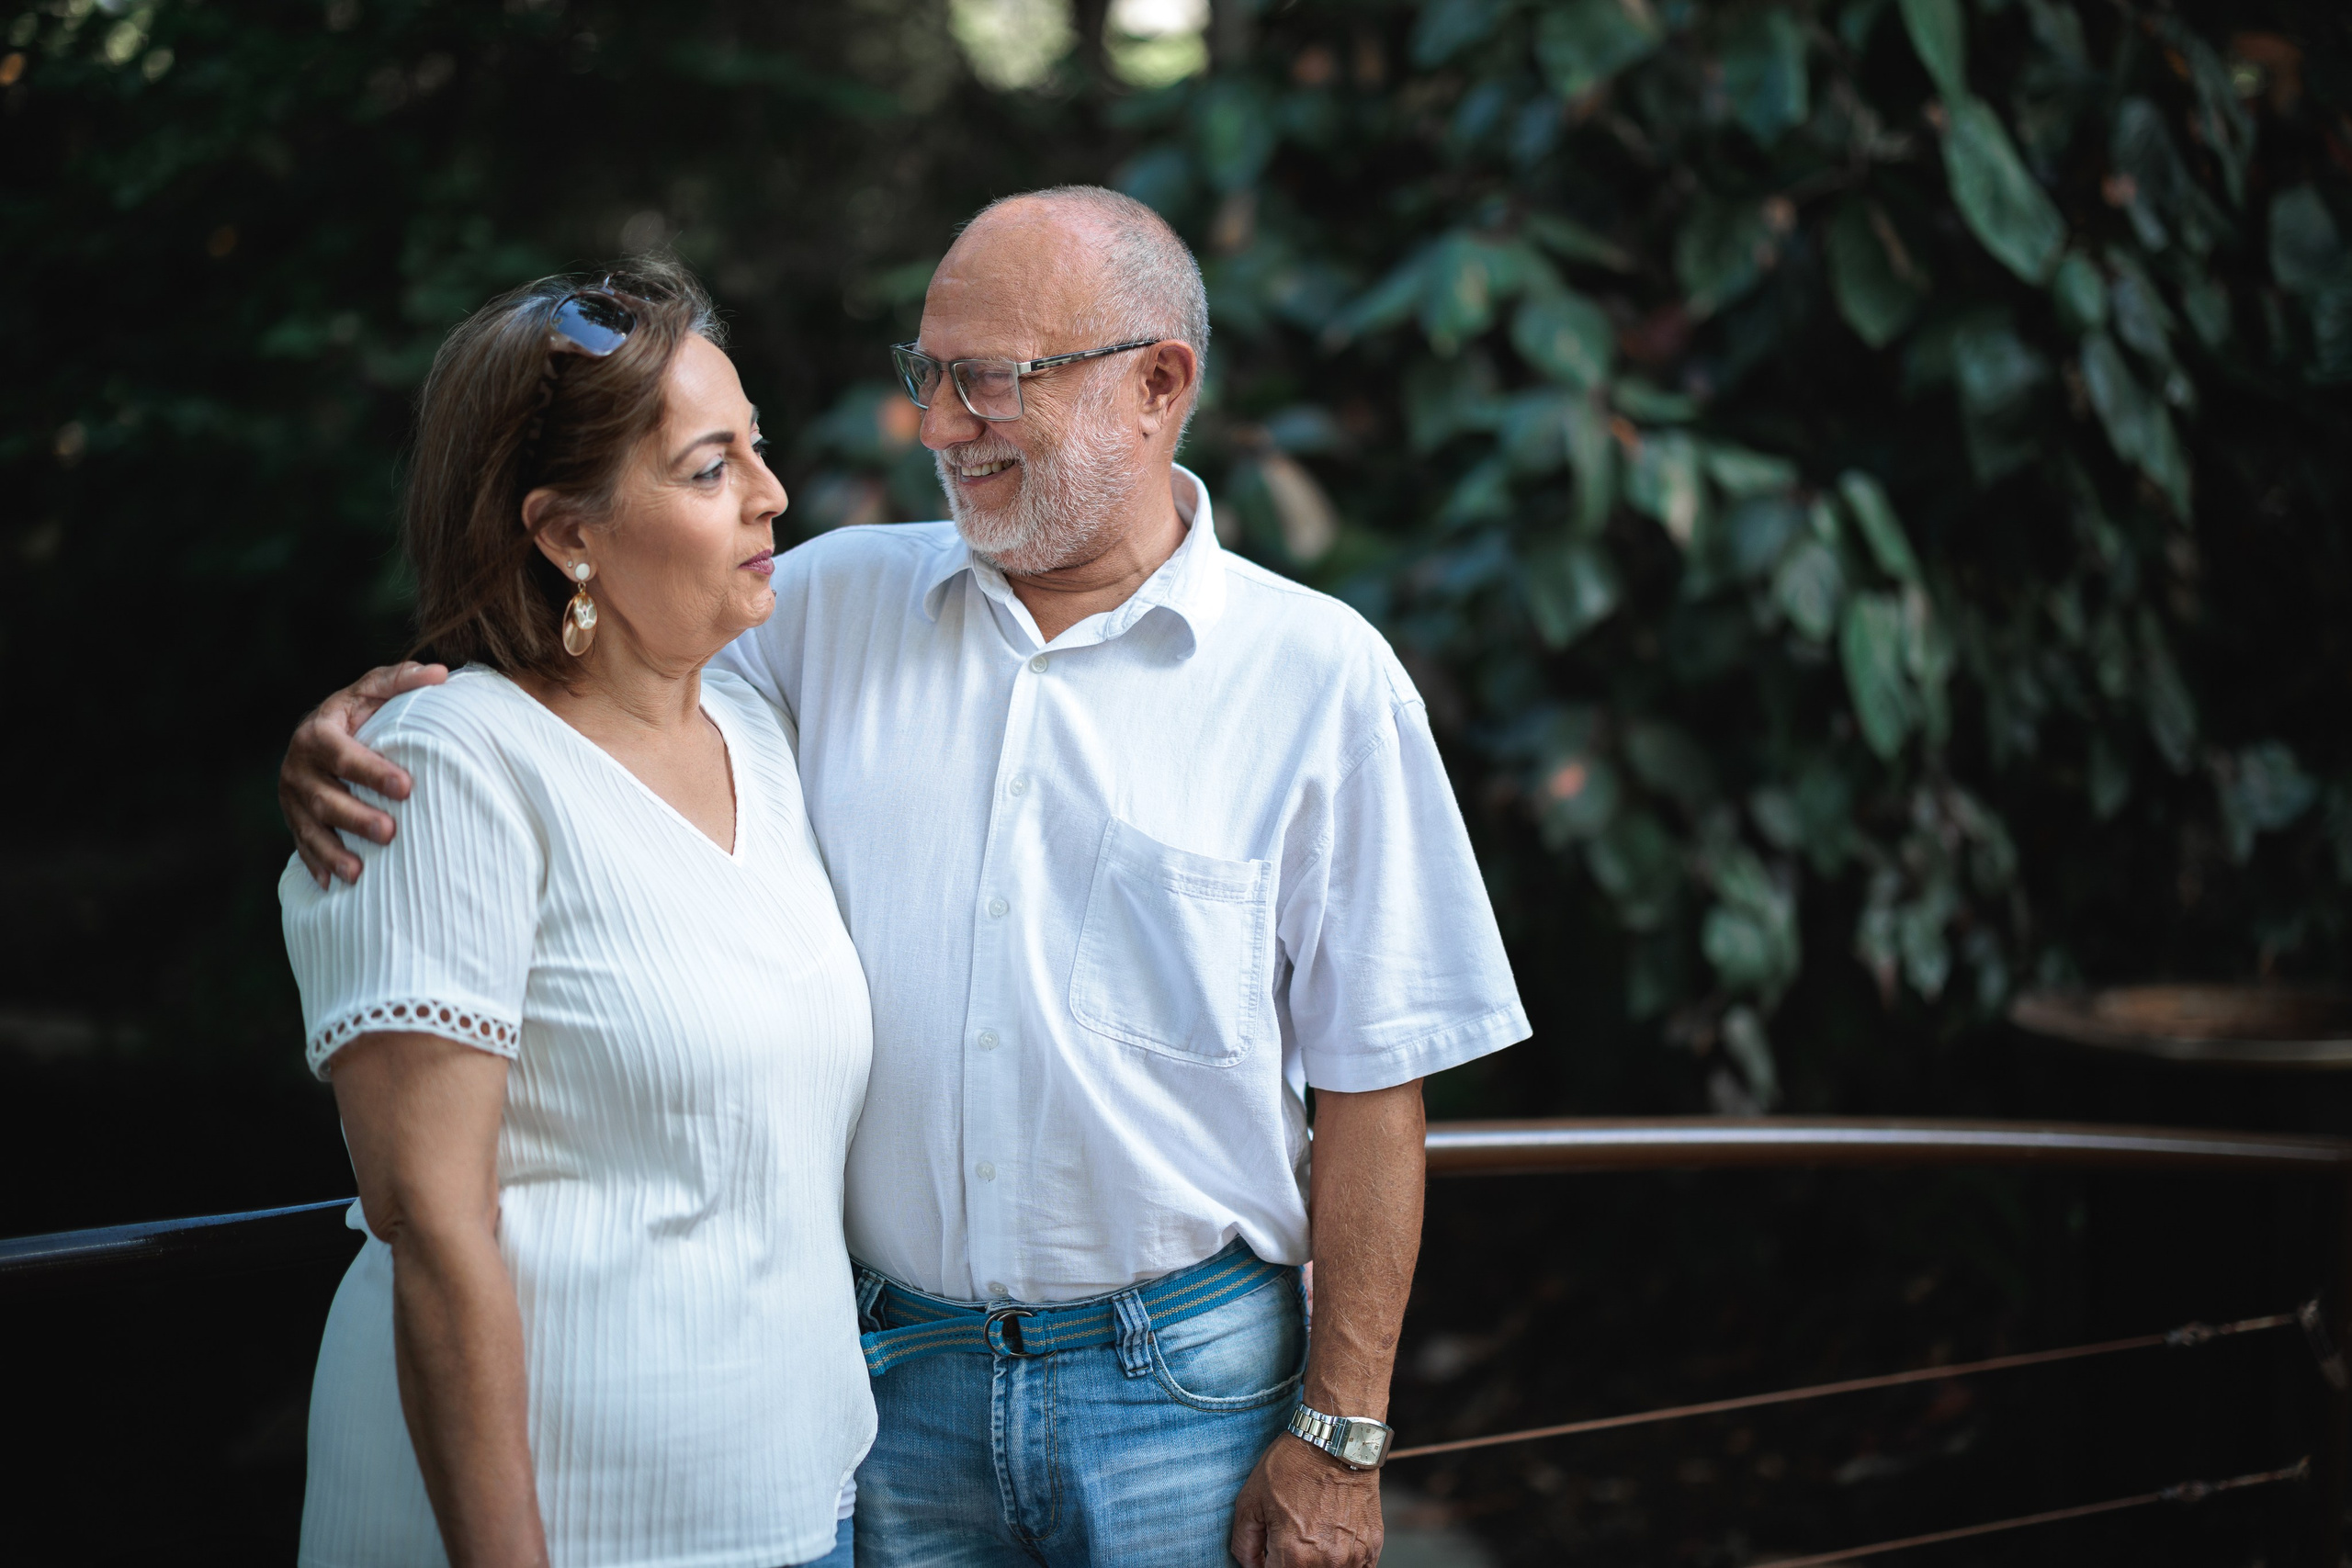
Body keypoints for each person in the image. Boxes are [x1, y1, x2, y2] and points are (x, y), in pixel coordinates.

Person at [282, 187, 1528, 1568]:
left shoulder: (1321, 679)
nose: (936, 425)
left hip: (1184, 1396)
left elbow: (1376, 1084)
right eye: (925, 373)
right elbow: (580, 695)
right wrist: (375, 720)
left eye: (988, 381)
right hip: (882, 1397)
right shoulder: (813, 613)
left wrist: (1342, 1434)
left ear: (1158, 386)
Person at [278, 260, 871, 1568]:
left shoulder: (759, 731)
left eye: (756, 444)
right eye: (710, 468)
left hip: (797, 1504)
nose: (771, 492)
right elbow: (433, 1227)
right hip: (567, 1522)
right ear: (566, 536)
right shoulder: (447, 767)